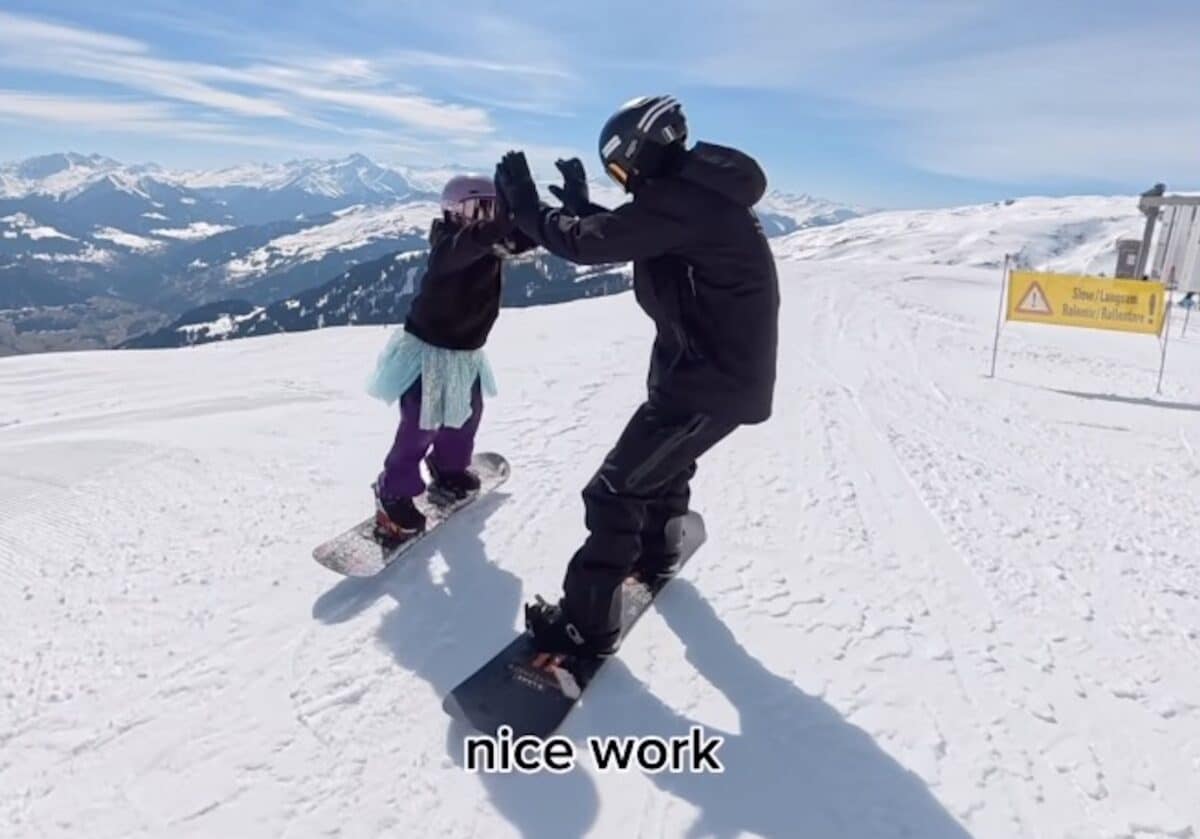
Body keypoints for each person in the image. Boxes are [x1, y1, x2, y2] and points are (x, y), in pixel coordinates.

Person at [492, 94, 780, 657]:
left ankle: (585, 625)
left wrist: (527, 208)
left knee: (615, 489)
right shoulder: (695, 195)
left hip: (709, 382)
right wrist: (581, 203)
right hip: (701, 373)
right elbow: (639, 230)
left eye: (620, 169)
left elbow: (589, 243)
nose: (622, 182)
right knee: (660, 468)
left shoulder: (686, 201)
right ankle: (657, 547)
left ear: (641, 152)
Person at [365, 174, 533, 540]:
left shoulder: (491, 243)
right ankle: (393, 489)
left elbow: (523, 239)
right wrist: (496, 225)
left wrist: (542, 213)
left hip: (464, 354)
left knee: (465, 416)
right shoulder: (448, 245)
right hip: (429, 354)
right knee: (421, 425)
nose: (484, 219)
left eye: (491, 209)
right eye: (477, 210)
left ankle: (448, 467)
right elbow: (461, 249)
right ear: (452, 213)